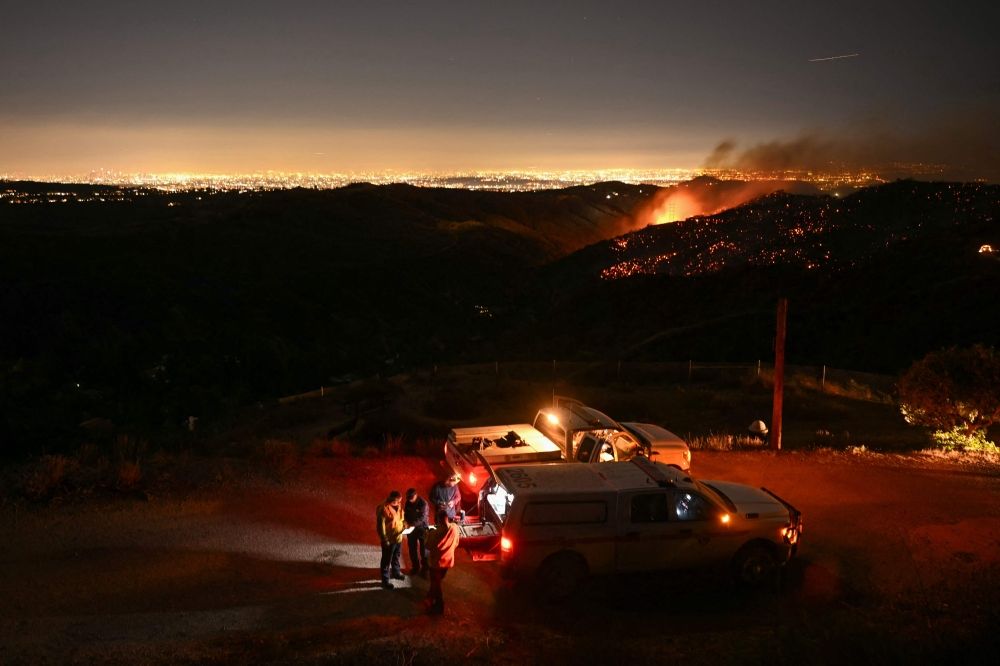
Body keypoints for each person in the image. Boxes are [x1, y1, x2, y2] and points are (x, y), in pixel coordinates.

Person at [425, 509, 461, 614]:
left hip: (437, 563)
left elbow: (428, 546)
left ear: (438, 520)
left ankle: (439, 606)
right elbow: (457, 543)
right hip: (448, 561)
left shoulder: (436, 533)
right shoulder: (455, 528)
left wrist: (428, 534)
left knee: (436, 584)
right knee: (438, 581)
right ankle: (430, 596)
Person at [376, 490, 405, 589]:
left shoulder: (398, 505)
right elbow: (381, 526)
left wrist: (404, 524)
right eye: (399, 501)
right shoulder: (383, 509)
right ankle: (385, 580)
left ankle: (396, 572)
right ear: (394, 500)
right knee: (386, 560)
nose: (400, 503)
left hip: (398, 537)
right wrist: (384, 539)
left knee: (396, 556)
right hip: (389, 539)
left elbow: (400, 518)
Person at [403, 487, 429, 576]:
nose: (410, 501)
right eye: (409, 499)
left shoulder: (423, 504)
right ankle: (415, 567)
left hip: (422, 529)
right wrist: (405, 521)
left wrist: (412, 524)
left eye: (411, 498)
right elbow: (406, 513)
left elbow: (422, 518)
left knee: (424, 550)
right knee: (412, 549)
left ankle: (425, 569)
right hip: (411, 530)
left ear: (416, 495)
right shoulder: (408, 502)